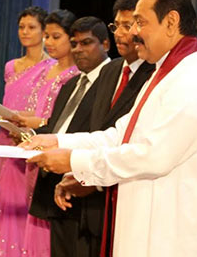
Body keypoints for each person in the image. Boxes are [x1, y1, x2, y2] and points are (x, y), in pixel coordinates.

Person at [23, 0, 197, 256]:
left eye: (140, 22)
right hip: (152, 225)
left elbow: (153, 155)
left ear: (171, 22)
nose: (133, 32)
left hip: (177, 234)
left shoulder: (196, 77)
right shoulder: (163, 73)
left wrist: (72, 160)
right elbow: (119, 134)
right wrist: (57, 142)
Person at [49, 0, 156, 257]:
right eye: (116, 25)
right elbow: (100, 132)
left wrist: (91, 179)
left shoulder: (153, 75)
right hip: (87, 188)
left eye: (128, 25)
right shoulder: (110, 70)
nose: (120, 33)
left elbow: (132, 143)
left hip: (119, 193)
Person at [28, 16, 116, 257]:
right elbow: (59, 129)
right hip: (54, 182)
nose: (79, 50)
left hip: (86, 183)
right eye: (75, 44)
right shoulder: (71, 84)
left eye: (86, 43)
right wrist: (31, 137)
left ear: (106, 44)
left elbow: (105, 135)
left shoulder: (114, 83)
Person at [0, 6, 51, 256]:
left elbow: (47, 109)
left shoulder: (52, 68)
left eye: (31, 27)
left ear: (44, 32)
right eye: (21, 27)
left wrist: (27, 128)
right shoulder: (11, 66)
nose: (24, 32)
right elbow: (8, 103)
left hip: (32, 139)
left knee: (30, 199)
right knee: (7, 197)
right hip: (6, 138)